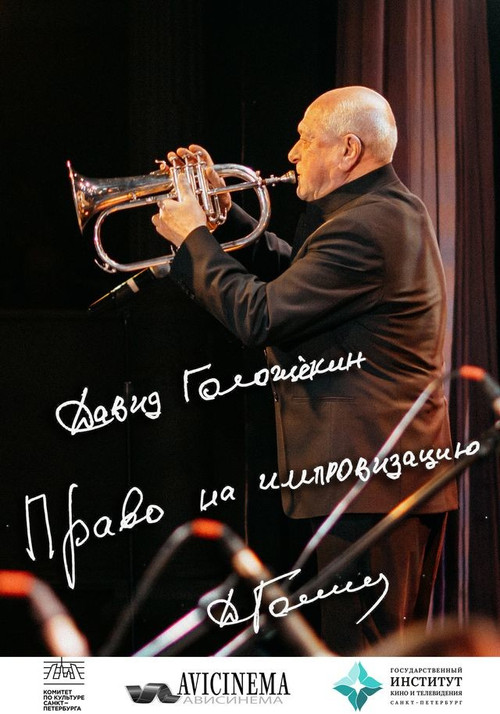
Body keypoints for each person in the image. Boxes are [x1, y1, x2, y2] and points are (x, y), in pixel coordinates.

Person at [151, 86, 458, 655]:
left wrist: (192, 239)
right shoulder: (382, 211)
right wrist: (223, 217)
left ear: (347, 150)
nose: (292, 153)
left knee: (364, 670)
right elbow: (300, 280)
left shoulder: (365, 225)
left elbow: (261, 315)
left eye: (305, 139)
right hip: (378, 483)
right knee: (378, 662)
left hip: (368, 485)